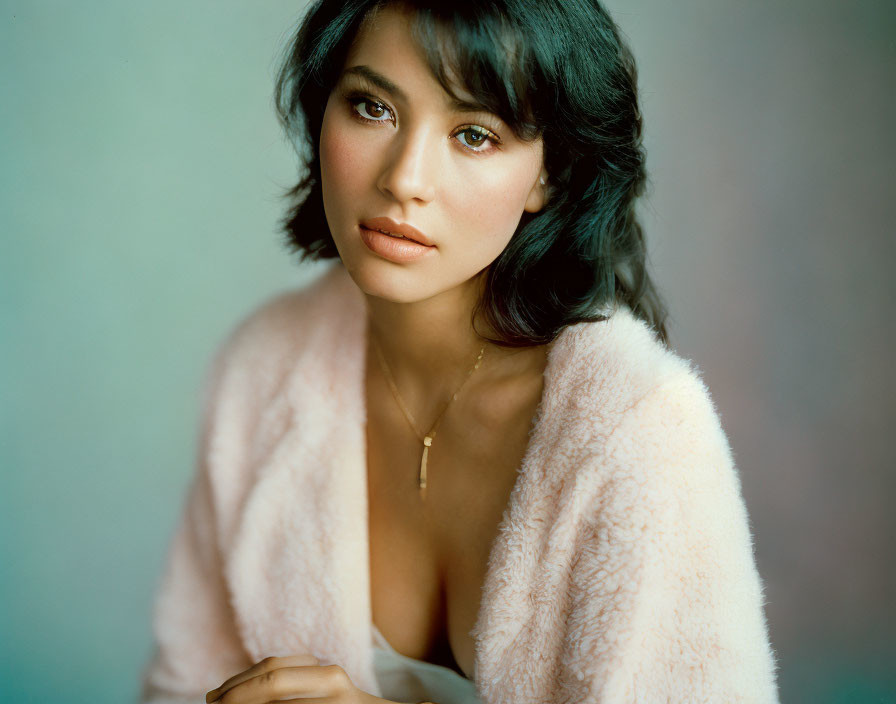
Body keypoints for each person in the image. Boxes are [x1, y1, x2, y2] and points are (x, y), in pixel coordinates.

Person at [139, 1, 780, 702]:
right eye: (372, 107)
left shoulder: (639, 429)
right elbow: (182, 685)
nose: (405, 178)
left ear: (550, 175)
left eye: (474, 134)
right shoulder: (263, 367)